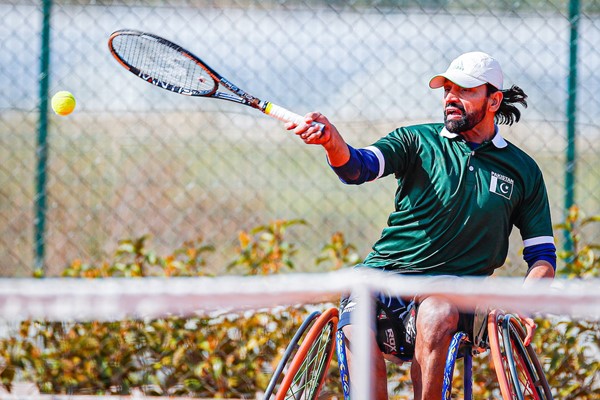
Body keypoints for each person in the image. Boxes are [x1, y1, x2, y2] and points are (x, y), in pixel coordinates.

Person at [286, 51, 556, 400]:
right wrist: (331, 142)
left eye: (466, 91)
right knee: (358, 300)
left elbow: (543, 258)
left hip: (452, 296)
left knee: (437, 310)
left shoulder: (523, 170)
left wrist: (522, 303)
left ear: (494, 100)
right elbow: (358, 167)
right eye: (447, 89)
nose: (450, 99)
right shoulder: (415, 141)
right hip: (381, 279)